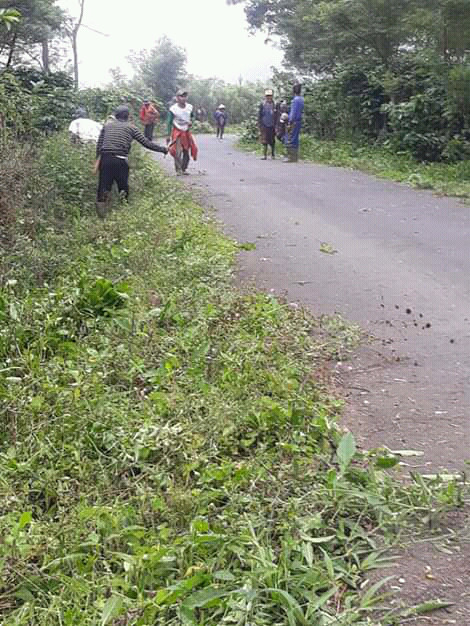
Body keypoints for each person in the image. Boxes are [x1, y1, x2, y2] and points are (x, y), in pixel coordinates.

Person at [95, 105, 167, 217]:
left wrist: (98, 161)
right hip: (120, 160)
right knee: (123, 187)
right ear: (128, 116)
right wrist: (163, 149)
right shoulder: (131, 128)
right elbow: (146, 143)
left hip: (105, 159)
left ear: (115, 116)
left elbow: (99, 145)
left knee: (103, 187)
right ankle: (124, 212)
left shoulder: (107, 126)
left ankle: (101, 216)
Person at [166, 89, 198, 176]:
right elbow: (169, 122)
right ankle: (178, 169)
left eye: (185, 96)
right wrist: (168, 135)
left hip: (186, 131)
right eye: (181, 96)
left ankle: (184, 168)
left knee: (186, 151)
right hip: (177, 132)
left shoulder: (189, 107)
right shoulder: (173, 109)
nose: (183, 98)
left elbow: (193, 116)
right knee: (177, 152)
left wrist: (192, 121)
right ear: (177, 98)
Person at [284, 83, 305, 163]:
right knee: (295, 138)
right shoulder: (301, 99)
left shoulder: (295, 100)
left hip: (294, 121)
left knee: (290, 138)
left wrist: (289, 121)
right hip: (299, 121)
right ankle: (295, 157)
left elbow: (293, 113)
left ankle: (291, 157)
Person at [258, 88, 277, 160]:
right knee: (264, 140)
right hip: (264, 124)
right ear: (265, 96)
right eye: (267, 96)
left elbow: (277, 115)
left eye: (270, 96)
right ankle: (264, 155)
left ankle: (273, 154)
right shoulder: (262, 104)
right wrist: (259, 125)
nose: (269, 97)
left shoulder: (275, 104)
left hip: (272, 125)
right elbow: (259, 115)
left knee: (272, 140)